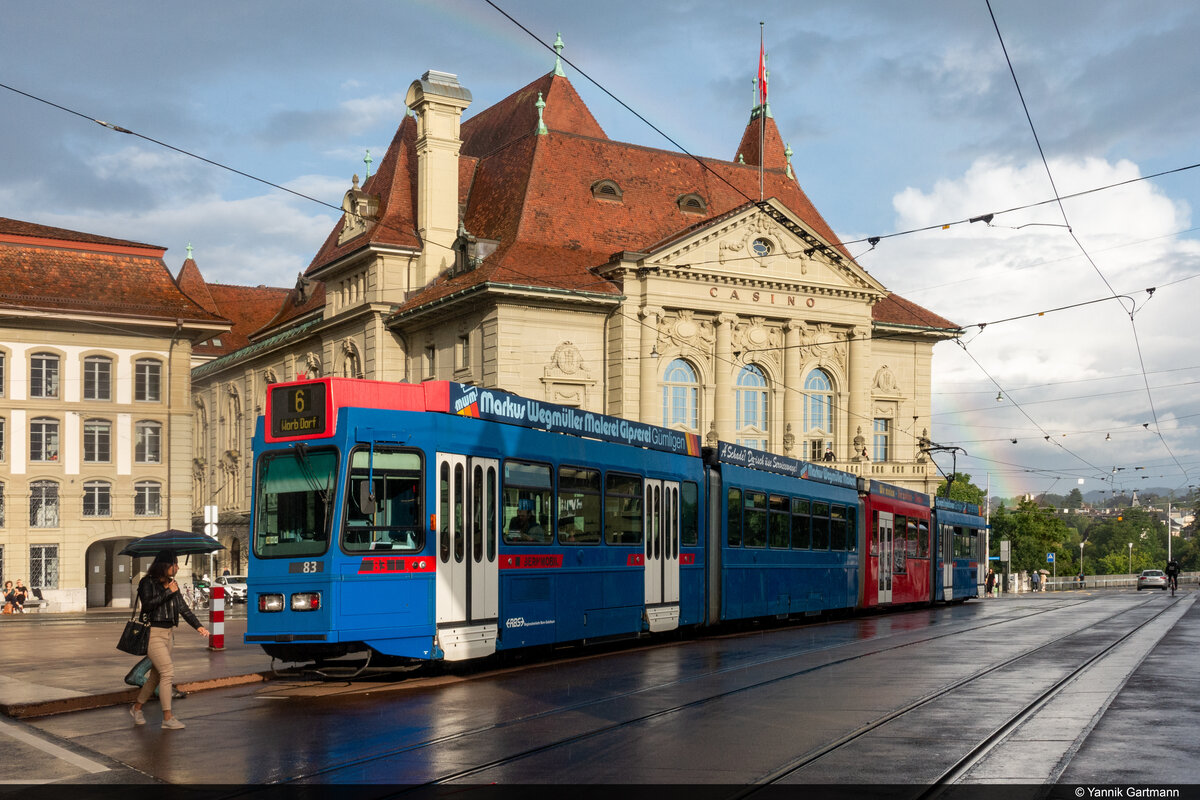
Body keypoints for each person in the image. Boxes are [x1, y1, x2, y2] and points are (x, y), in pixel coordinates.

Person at [130, 552, 210, 730]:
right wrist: (168, 592)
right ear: (165, 565)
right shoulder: (147, 582)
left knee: (156, 677)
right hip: (153, 633)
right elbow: (148, 605)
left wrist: (199, 626)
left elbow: (183, 608)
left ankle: (137, 708)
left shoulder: (173, 584)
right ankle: (167, 717)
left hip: (168, 634)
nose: (178, 567)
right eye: (175, 564)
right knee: (167, 672)